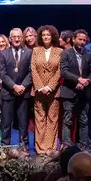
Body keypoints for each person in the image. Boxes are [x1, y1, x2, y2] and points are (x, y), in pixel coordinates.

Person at [59, 30, 91, 145]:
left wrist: (87, 81)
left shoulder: (89, 54)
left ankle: (84, 145)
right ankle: (66, 145)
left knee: (83, 120)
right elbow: (64, 72)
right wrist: (78, 80)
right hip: (69, 91)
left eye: (84, 40)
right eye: (80, 39)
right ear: (73, 39)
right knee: (67, 120)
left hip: (84, 92)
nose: (82, 42)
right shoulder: (66, 53)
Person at [31, 25, 63, 154]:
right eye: (43, 35)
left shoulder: (59, 51)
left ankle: (50, 147)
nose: (45, 37)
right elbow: (33, 69)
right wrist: (40, 87)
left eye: (48, 35)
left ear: (53, 36)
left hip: (53, 91)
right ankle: (40, 148)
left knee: (52, 119)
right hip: (38, 91)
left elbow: (59, 71)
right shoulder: (36, 50)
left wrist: (50, 86)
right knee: (40, 119)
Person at [0, 27, 33, 147]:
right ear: (10, 38)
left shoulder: (29, 52)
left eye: (19, 37)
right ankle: (5, 148)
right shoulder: (3, 53)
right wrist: (14, 86)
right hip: (8, 92)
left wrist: (23, 85)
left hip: (23, 93)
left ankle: (24, 148)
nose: (17, 39)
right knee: (6, 123)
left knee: (23, 123)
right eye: (14, 37)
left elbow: (31, 72)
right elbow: (2, 74)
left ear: (22, 38)